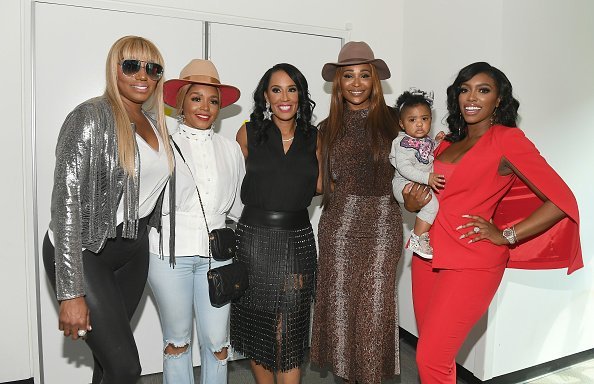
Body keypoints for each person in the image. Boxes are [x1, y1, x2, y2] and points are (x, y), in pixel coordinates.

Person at [406, 62, 582, 384]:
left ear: (498, 100)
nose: (471, 97)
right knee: (434, 357)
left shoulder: (506, 140)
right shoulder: (446, 143)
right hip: (427, 257)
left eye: (483, 90)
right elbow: (422, 197)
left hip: (473, 261)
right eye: (464, 89)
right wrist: (411, 201)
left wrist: (506, 235)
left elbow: (562, 201)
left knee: (430, 358)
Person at [42, 36, 175, 384]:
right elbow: (66, 202)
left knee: (107, 363)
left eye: (153, 68)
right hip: (84, 250)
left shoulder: (156, 124)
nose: (142, 75)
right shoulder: (90, 117)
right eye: (131, 65)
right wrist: (70, 292)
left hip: (132, 250)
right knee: (126, 368)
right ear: (114, 69)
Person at [147, 59, 244, 384]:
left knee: (218, 344)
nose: (205, 107)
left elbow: (239, 207)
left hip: (217, 256)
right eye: (196, 98)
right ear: (182, 102)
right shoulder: (161, 145)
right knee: (177, 342)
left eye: (213, 100)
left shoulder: (230, 149)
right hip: (168, 256)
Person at [310, 41, 402, 383]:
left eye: (365, 75)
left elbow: (420, 164)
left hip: (383, 224)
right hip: (338, 225)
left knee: (374, 311)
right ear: (339, 81)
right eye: (348, 75)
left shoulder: (395, 121)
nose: (357, 83)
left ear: (375, 80)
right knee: (341, 309)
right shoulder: (326, 127)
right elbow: (320, 183)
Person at [230, 63, 319, 384]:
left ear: (301, 95)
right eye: (276, 89)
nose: (284, 97)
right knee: (260, 324)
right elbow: (225, 181)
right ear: (265, 96)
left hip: (298, 242)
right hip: (253, 241)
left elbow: (323, 185)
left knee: (291, 325)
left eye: (291, 89)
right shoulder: (248, 132)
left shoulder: (314, 137)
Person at [390, 89, 445, 259]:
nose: (419, 124)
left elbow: (425, 156)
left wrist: (437, 143)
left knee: (432, 205)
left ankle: (419, 236)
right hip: (402, 183)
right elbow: (404, 167)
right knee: (432, 205)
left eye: (424, 119)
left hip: (417, 182)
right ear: (402, 124)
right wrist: (427, 178)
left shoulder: (425, 140)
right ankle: (418, 237)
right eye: (412, 120)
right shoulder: (403, 143)